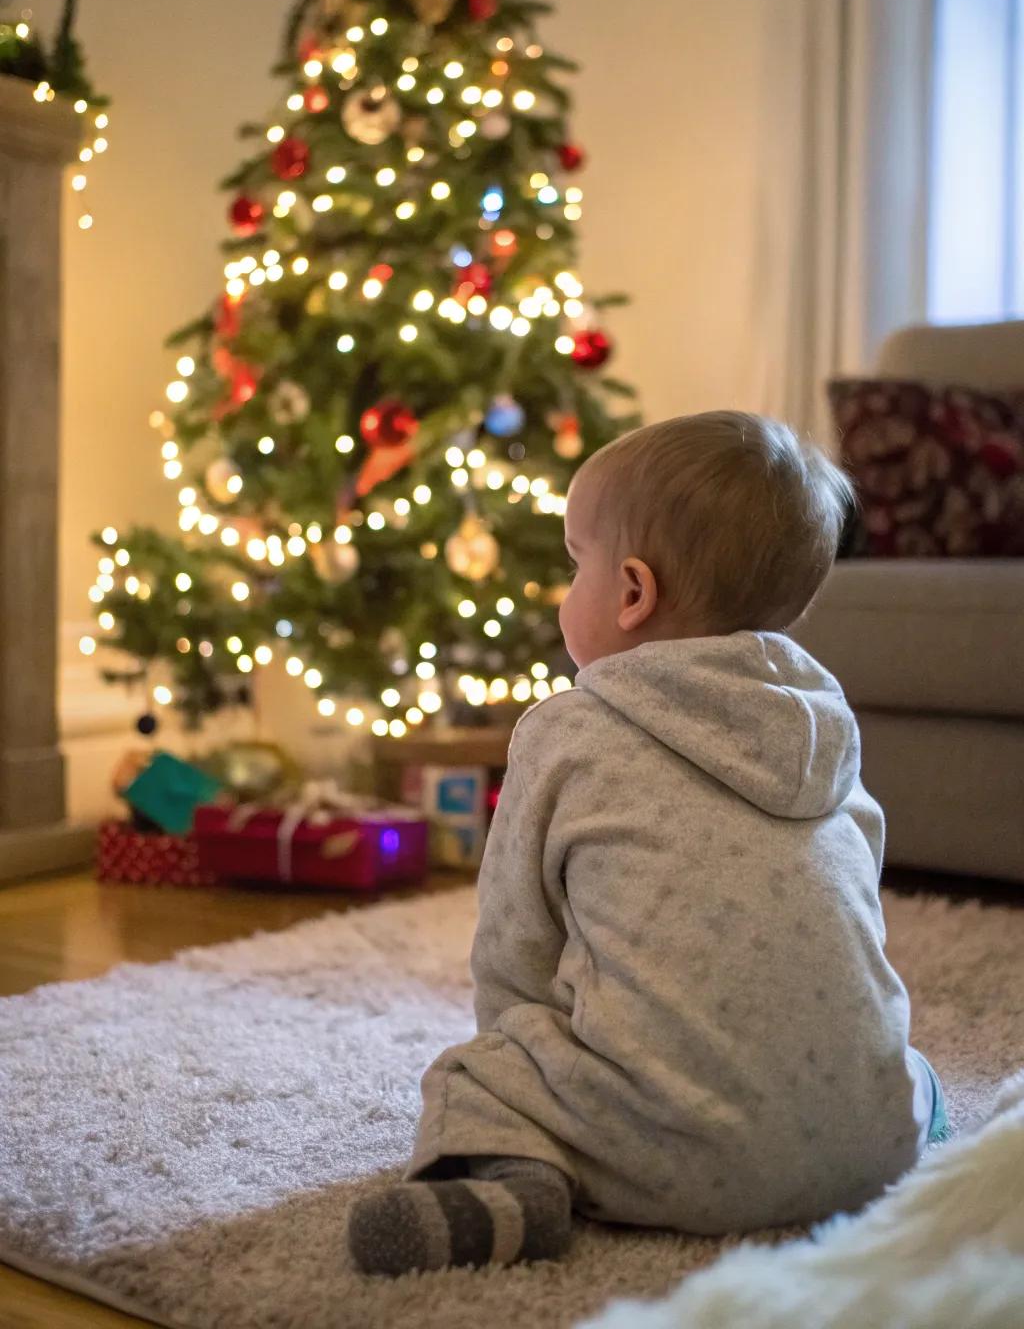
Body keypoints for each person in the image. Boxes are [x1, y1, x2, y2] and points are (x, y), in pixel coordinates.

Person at [348, 412, 947, 1277]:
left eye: (573, 562)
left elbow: (516, 946)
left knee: (482, 1073)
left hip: (665, 1163)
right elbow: (859, 904)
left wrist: (524, 1063)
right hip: (862, 1153)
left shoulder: (567, 732)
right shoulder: (827, 725)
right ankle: (914, 1135)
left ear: (632, 593)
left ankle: (515, 1186)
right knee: (897, 1057)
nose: (565, 587)